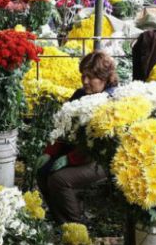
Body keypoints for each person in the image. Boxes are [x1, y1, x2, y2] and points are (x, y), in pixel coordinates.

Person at [37, 51, 118, 224]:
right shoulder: (80, 95)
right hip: (75, 154)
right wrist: (49, 152)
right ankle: (61, 221)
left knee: (59, 179)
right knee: (43, 171)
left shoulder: (111, 101)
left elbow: (99, 146)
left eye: (91, 77)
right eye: (83, 76)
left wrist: (69, 160)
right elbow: (62, 127)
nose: (85, 82)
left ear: (104, 78)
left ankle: (76, 225)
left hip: (98, 160)